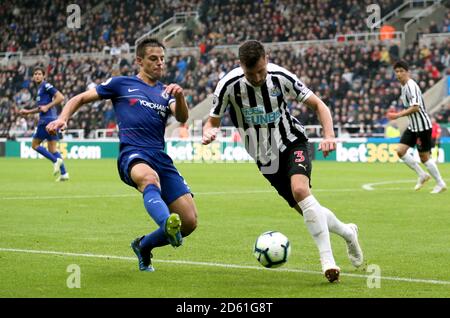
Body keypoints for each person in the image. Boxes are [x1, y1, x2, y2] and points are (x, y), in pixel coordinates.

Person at [202, 40, 363, 283]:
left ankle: (327, 260)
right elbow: (212, 121)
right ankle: (348, 232)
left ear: (267, 59)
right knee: (309, 209)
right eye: (250, 73)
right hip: (265, 159)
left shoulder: (280, 77)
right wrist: (208, 131)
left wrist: (329, 136)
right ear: (240, 66)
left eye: (260, 71)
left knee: (300, 190)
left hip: (292, 141)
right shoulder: (228, 85)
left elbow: (319, 105)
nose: (257, 78)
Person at [46, 38, 198, 272]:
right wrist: (62, 118)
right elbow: (79, 98)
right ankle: (166, 222)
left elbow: (182, 118)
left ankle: (144, 246)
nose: (160, 63)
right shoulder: (120, 84)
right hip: (133, 153)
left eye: (162, 59)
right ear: (139, 60)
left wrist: (180, 96)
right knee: (148, 179)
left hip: (160, 156)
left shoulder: (165, 92)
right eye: (153, 59)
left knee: (188, 222)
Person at [387, 60, 447, 194]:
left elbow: (415, 107)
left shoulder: (411, 86)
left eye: (402, 71)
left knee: (424, 158)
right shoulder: (403, 87)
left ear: (407, 72)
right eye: (397, 71)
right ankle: (422, 175)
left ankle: (440, 183)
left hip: (422, 127)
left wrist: (398, 115)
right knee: (400, 151)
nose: (399, 74)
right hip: (413, 126)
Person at [19, 67, 68, 181]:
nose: (37, 76)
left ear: (44, 76)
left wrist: (47, 106)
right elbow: (42, 108)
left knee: (35, 145)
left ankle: (55, 161)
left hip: (45, 121)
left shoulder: (46, 86)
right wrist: (28, 112)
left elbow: (60, 97)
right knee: (53, 150)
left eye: (39, 74)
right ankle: (64, 173)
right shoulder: (40, 89)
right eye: (35, 74)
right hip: (52, 120)